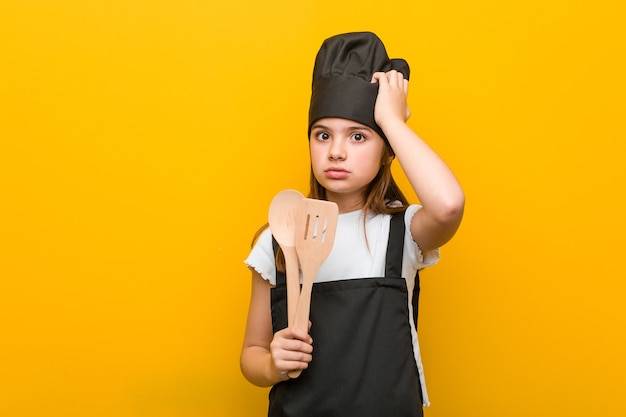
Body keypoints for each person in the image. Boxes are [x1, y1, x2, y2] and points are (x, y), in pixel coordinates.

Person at [240, 32, 464, 417]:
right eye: (322, 135)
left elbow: (448, 206)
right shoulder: (281, 236)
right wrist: (272, 364)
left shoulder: (402, 232)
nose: (336, 151)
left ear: (386, 151)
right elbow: (251, 355)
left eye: (358, 136)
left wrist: (391, 120)